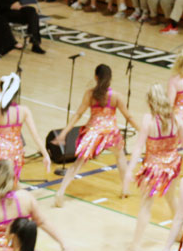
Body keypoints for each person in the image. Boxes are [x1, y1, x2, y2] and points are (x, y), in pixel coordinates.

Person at [120, 84, 183, 251]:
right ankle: (182, 232)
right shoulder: (177, 120)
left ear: (150, 102)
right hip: (171, 166)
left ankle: (135, 247)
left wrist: (130, 170)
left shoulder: (148, 120)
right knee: (171, 198)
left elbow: (138, 148)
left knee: (146, 206)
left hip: (153, 167)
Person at [53, 64, 138, 206]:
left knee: (78, 163)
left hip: (93, 131)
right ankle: (125, 189)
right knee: (120, 157)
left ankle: (61, 191)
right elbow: (129, 116)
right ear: (110, 79)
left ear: (96, 77)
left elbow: (78, 114)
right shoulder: (116, 96)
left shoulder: (90, 94)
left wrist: (64, 132)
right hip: (110, 132)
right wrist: (141, 129)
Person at [0, 72, 51, 184]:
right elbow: (36, 136)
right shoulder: (24, 111)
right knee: (11, 187)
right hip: (17, 157)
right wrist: (46, 155)